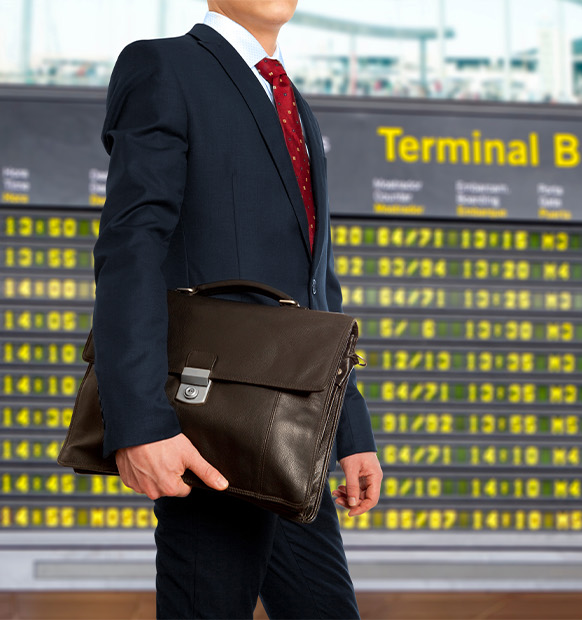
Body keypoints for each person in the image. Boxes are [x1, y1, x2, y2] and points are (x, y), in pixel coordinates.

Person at [97, 1, 381, 616]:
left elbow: (313, 287)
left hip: (289, 435)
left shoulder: (289, 99)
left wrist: (346, 427)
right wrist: (141, 422)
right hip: (209, 424)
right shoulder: (163, 66)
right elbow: (131, 250)